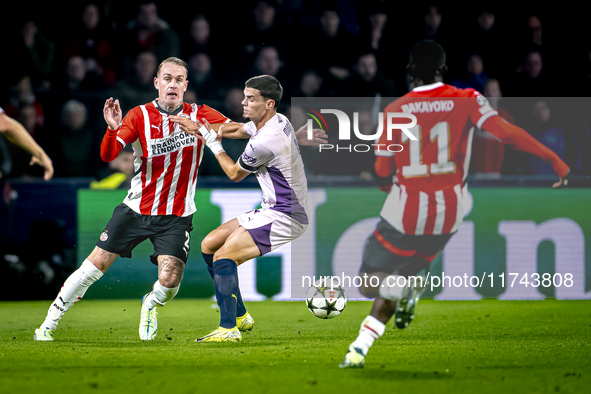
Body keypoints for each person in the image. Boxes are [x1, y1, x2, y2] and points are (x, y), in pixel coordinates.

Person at [339, 40, 570, 368]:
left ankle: (400, 296)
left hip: (407, 212)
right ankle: (361, 345)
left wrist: (384, 184)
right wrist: (553, 159)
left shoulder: (395, 110)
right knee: (408, 274)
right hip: (450, 213)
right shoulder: (468, 99)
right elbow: (505, 133)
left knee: (369, 282)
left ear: (410, 73)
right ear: (442, 69)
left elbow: (381, 169)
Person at [33, 57, 231, 342]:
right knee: (93, 266)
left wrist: (272, 132)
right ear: (157, 83)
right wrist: (113, 128)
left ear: (186, 86)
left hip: (176, 216)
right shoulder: (139, 116)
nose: (172, 84)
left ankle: (151, 302)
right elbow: (108, 155)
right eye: (167, 78)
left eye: (178, 79)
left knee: (170, 280)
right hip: (136, 209)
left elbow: (236, 128)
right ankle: (48, 324)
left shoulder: (201, 114)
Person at [171, 75, 311, 342]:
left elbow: (235, 174)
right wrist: (199, 126)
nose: (243, 102)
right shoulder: (277, 120)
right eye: (245, 96)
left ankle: (228, 330)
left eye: (251, 98)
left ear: (269, 103)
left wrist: (211, 144)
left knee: (224, 257)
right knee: (210, 244)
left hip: (287, 214)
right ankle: (240, 315)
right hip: (274, 206)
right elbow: (235, 129)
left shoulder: (265, 140)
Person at [0, 106, 53, 181]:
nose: (28, 119)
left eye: (30, 116)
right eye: (24, 116)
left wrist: (41, 155)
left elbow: (10, 126)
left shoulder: (43, 135)